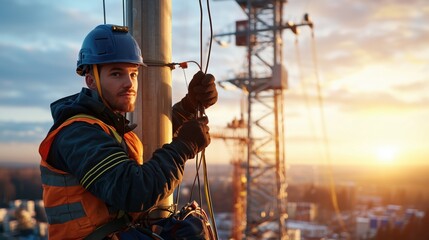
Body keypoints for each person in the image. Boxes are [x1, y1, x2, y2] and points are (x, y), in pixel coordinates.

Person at [39, 24, 218, 239]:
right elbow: (135, 191)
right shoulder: (78, 134)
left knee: (190, 230)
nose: (129, 83)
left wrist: (188, 107)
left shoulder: (108, 128)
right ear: (91, 81)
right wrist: (184, 146)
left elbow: (150, 147)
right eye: (116, 73)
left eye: (133, 74)